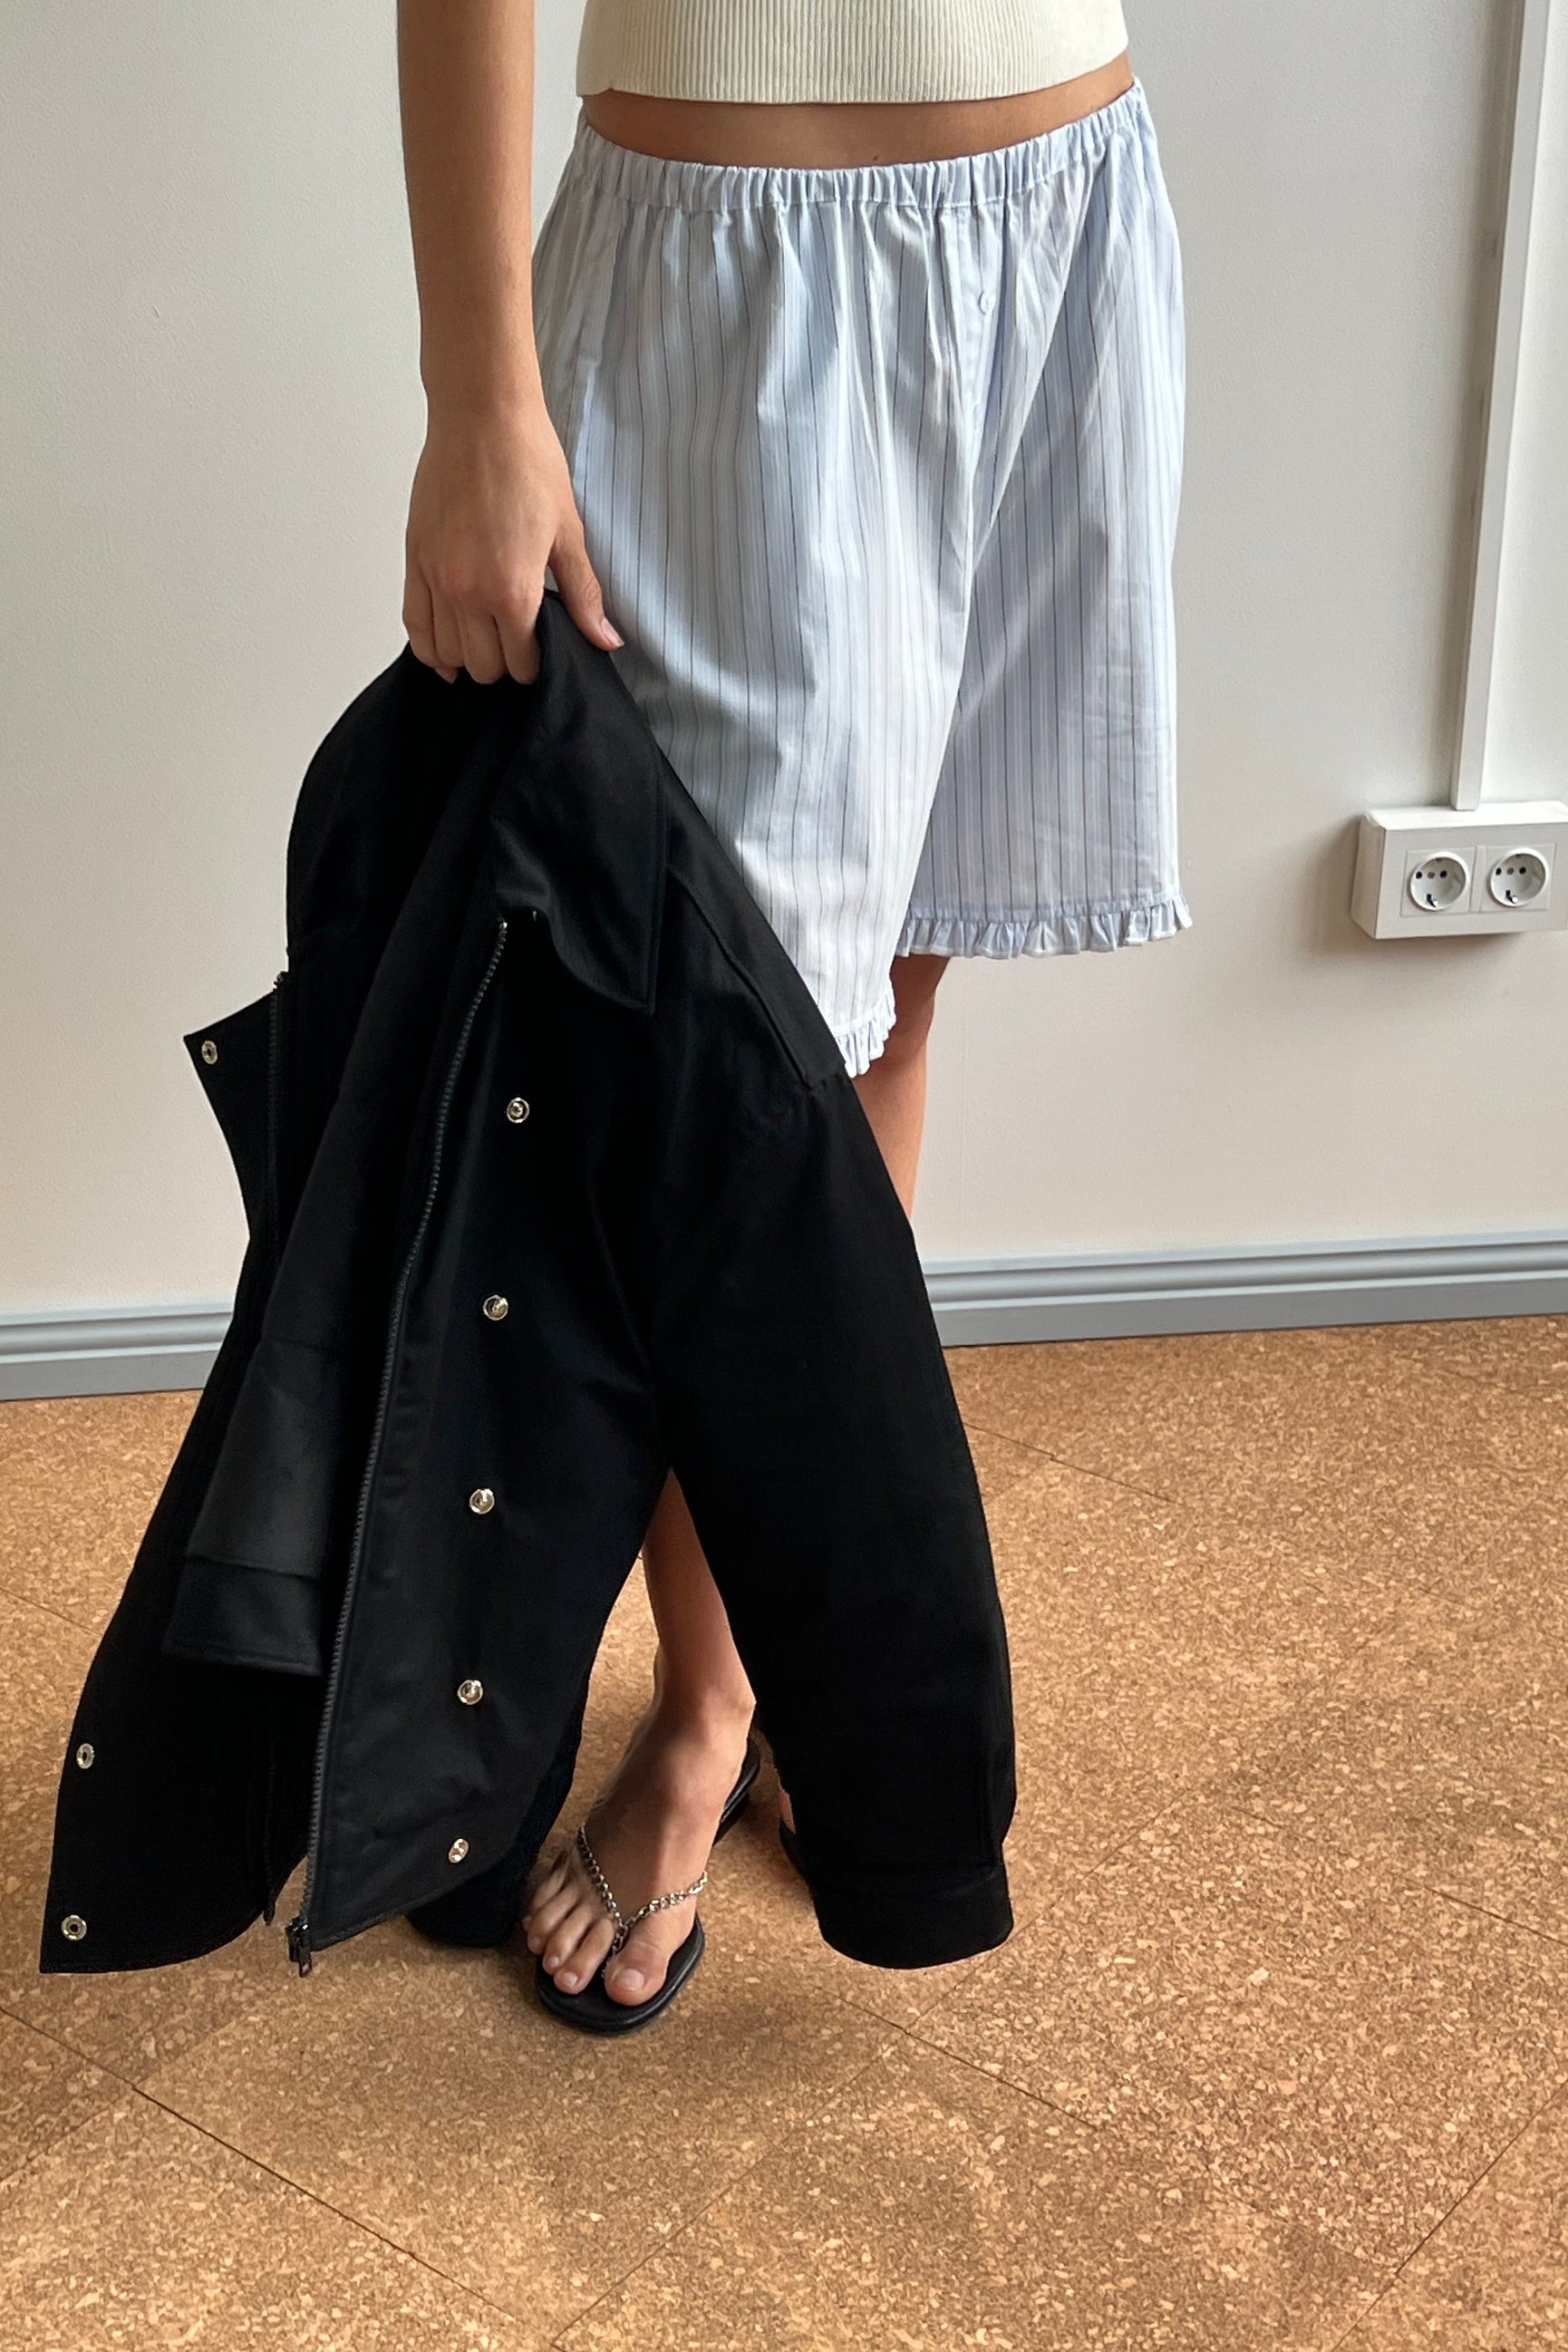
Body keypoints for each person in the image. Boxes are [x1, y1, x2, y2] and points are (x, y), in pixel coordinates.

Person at [396, 0, 1188, 2020]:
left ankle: (737, 1683)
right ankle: (698, 1715)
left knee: (876, 1023)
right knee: (713, 1088)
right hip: (734, 274)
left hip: (1060, 212)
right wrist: (480, 395)